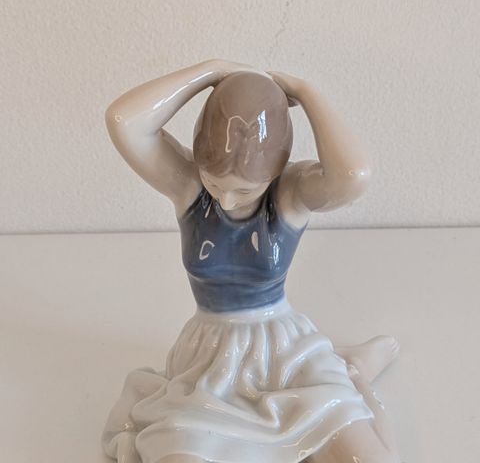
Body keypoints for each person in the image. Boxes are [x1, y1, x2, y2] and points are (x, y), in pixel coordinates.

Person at [102, 59, 401, 463]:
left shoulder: (290, 196)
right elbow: (123, 121)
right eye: (214, 182)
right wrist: (209, 72)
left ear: (275, 172)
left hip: (283, 352)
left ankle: (349, 372)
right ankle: (340, 368)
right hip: (207, 361)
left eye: (244, 190)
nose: (226, 200)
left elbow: (353, 175)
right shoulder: (189, 188)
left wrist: (306, 92)